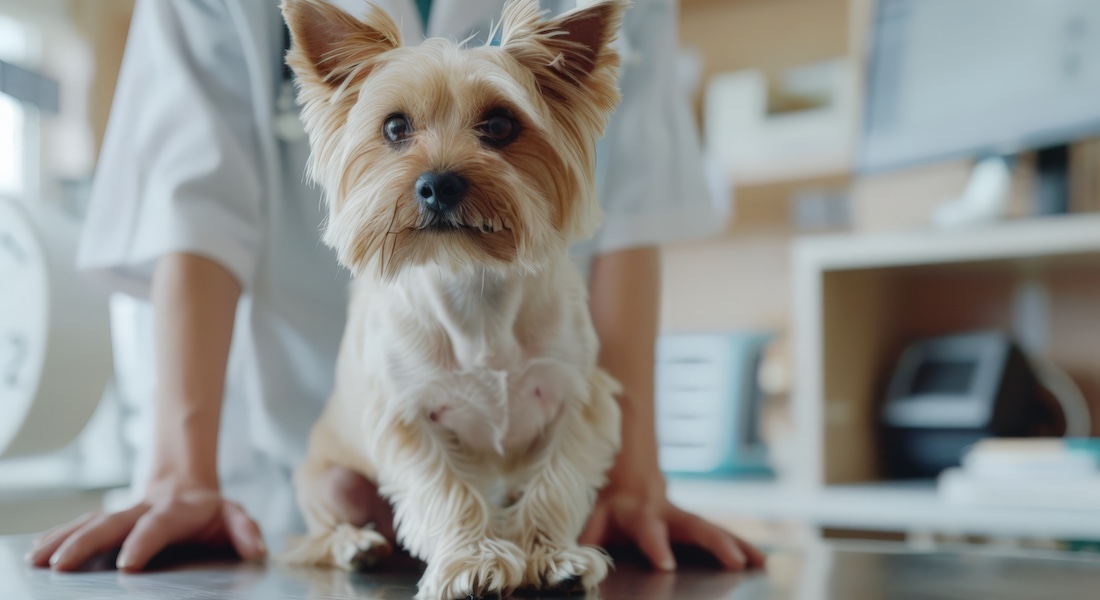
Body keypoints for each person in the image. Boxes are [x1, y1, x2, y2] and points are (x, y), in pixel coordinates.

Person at [28, 0, 764, 574]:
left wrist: (629, 477)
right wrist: (180, 472)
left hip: (539, 448)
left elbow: (636, 193)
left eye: (497, 126)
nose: (440, 168)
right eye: (397, 130)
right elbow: (188, 194)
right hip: (293, 454)